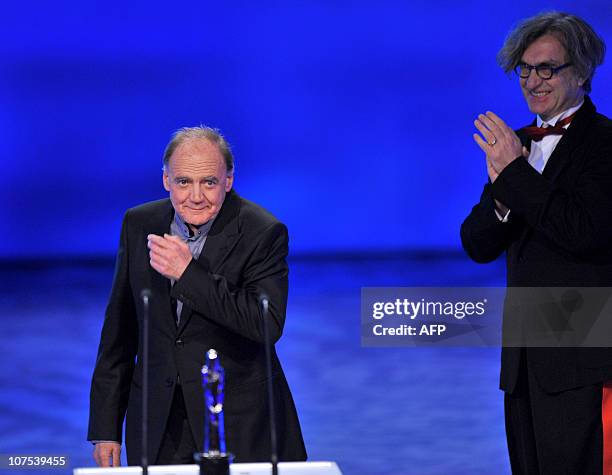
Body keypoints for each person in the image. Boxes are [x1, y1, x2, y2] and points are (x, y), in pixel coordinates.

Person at [87, 126, 306, 467]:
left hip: (238, 423)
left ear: (228, 181)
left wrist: (187, 274)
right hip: (159, 425)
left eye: (209, 182)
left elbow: (266, 324)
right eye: (184, 182)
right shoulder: (138, 223)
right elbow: (119, 332)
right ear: (166, 181)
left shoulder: (263, 231)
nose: (196, 196)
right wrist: (106, 428)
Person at [461, 12, 612, 474]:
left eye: (547, 68)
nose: (533, 80)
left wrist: (516, 177)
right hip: (524, 365)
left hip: (585, 363)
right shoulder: (519, 144)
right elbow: (476, 243)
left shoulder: (604, 144)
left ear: (581, 72)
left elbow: (583, 232)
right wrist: (505, 196)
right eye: (524, 69)